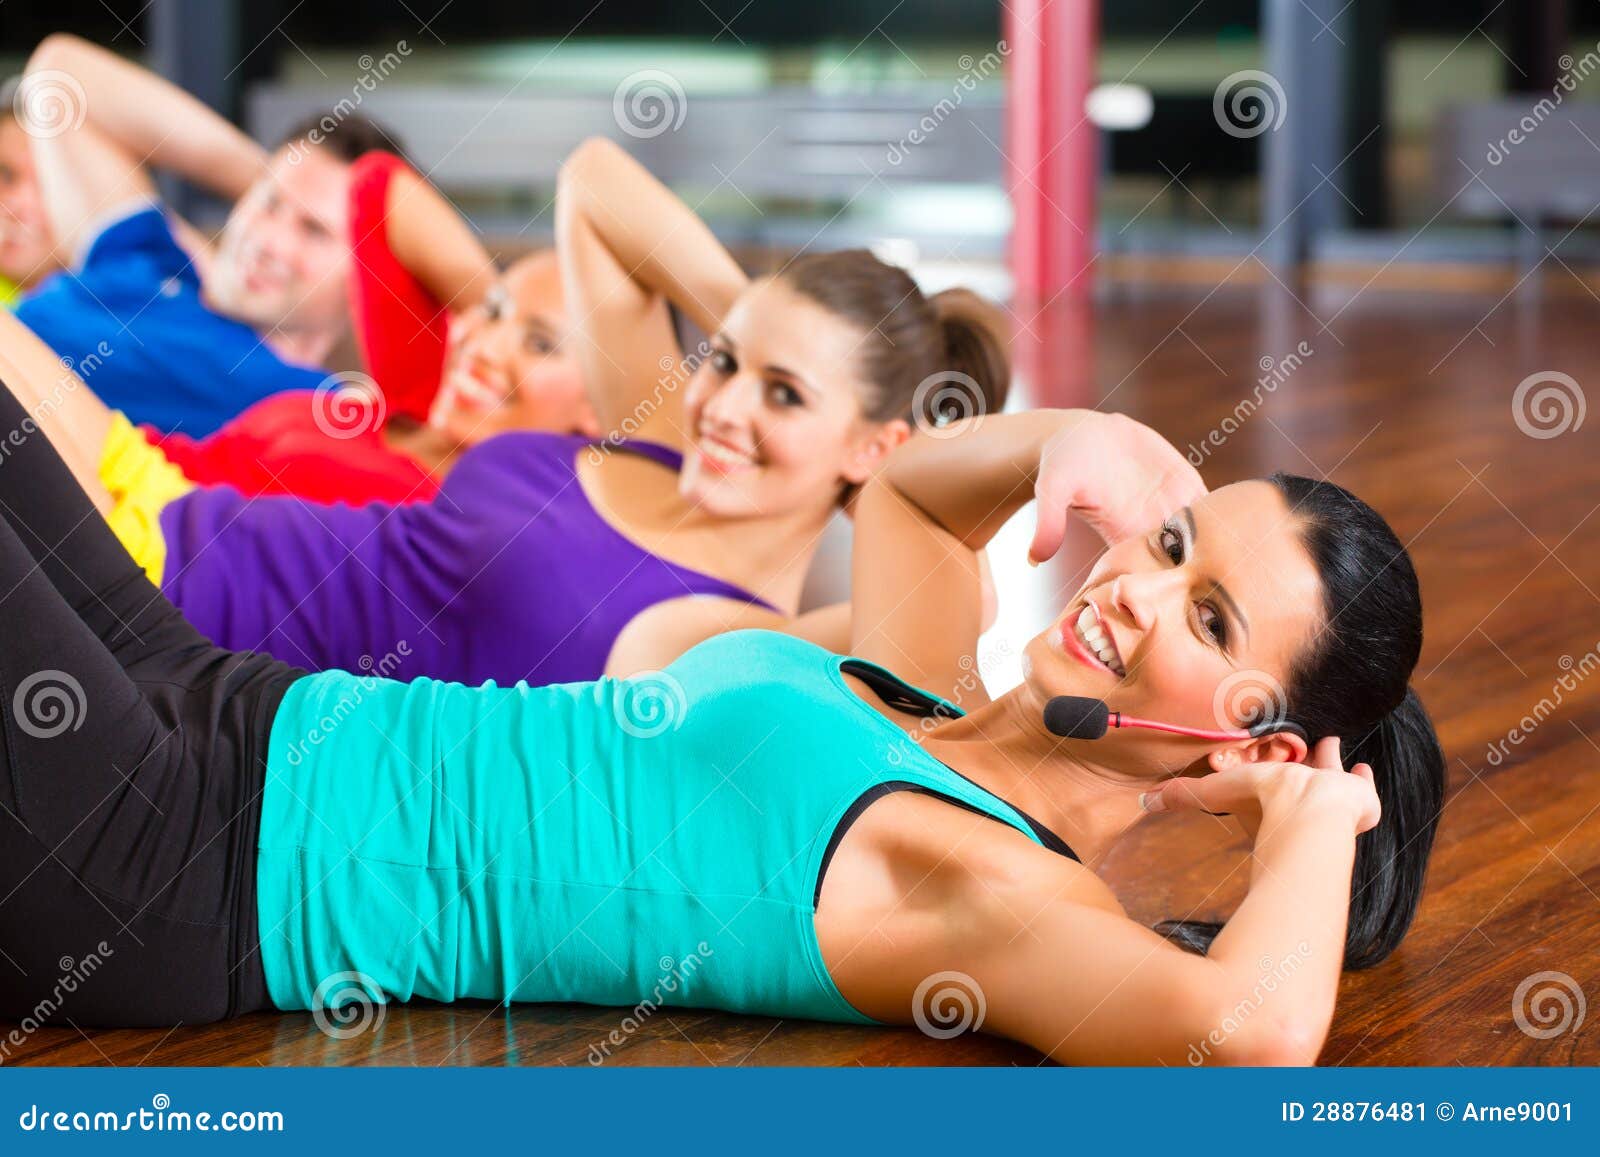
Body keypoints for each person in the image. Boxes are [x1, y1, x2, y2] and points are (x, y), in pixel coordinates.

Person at [0, 369, 1445, 1065]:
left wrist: (1317, 819)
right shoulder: (920, 692)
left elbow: (1243, 1036)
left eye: (1208, 621)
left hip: (186, 866)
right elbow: (913, 495)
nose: (1139, 587)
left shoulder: (985, 884)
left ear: (1251, 739)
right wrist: (1091, 443)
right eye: (1177, 544)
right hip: (228, 707)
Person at [7, 137, 1015, 685]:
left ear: (874, 444)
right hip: (169, 498)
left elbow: (961, 612)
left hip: (152, 615)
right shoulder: (661, 441)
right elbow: (592, 181)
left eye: (785, 394)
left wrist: (910, 469)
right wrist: (763, 326)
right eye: (729, 362)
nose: (726, 405)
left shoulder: (741, 641)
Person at [0, 249, 597, 587]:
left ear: (596, 417)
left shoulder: (454, 520)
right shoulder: (394, 406)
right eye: (491, 311)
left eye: (541, 344)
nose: (487, 345)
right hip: (130, 461)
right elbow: (375, 183)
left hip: (150, 549)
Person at [10, 34, 494, 436]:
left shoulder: (321, 409)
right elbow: (59, 77)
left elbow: (487, 356)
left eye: (314, 231)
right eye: (267, 204)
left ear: (366, 278)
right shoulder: (150, 254)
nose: (270, 240)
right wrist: (281, 178)